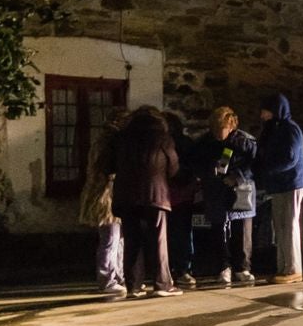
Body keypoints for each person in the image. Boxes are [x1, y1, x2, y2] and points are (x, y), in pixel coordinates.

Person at [109, 106, 183, 297]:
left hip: (126, 197)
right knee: (158, 240)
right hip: (155, 195)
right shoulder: (163, 138)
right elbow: (174, 168)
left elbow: (107, 165)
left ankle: (133, 285)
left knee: (132, 241)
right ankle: (162, 284)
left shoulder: (121, 138)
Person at [194, 106, 258, 287]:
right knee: (218, 230)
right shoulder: (205, 142)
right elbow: (197, 163)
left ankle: (243, 268)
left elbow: (255, 164)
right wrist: (208, 173)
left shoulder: (245, 142)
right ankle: (223, 267)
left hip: (241, 192)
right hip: (216, 191)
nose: (216, 133)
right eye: (213, 129)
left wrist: (237, 177)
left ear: (230, 125)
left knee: (242, 231)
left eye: (219, 129)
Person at [254, 93, 303, 284]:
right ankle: (283, 267)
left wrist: (269, 170)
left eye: (265, 110)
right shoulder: (272, 130)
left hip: (291, 183)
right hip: (278, 184)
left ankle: (293, 268)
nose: (262, 115)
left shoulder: (290, 130)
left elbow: (290, 158)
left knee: (290, 225)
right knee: (280, 226)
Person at [78, 107, 129, 296]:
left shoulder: (106, 139)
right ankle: (108, 278)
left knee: (117, 238)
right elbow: (107, 168)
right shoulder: (111, 141)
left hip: (108, 192)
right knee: (111, 238)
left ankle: (117, 276)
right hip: (106, 194)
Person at [164, 112, 198, 288]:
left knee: (171, 234)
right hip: (181, 194)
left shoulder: (165, 144)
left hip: (171, 194)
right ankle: (183, 268)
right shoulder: (187, 143)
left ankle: (172, 268)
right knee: (183, 233)